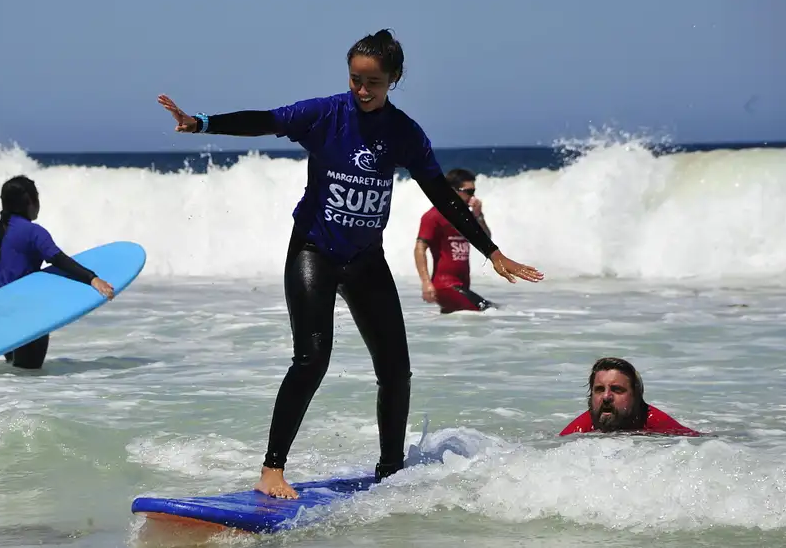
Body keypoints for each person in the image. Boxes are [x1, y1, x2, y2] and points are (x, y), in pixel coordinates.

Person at [157, 28, 544, 500]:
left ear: (394, 79)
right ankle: (271, 470)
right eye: (356, 80)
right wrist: (201, 122)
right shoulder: (324, 114)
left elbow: (442, 195)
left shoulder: (403, 133)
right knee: (312, 358)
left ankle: (390, 471)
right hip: (313, 252)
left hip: (365, 261)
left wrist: (491, 251)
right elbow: (266, 120)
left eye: (374, 82)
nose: (362, 90)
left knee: (396, 371)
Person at [0, 175, 115, 370]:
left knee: (11, 376)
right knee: (30, 377)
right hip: (29, 315)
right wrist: (92, 278)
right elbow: (59, 260)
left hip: (1, 317)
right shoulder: (33, 232)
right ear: (31, 202)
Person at [414, 168, 495, 313]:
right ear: (452, 190)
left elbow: (487, 240)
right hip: (446, 286)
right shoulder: (433, 216)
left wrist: (479, 216)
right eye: (469, 192)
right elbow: (419, 249)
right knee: (489, 311)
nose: (473, 197)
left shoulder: (467, 217)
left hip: (462, 285)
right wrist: (426, 283)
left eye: (474, 191)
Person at [559, 357, 702, 436]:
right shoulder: (581, 428)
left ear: (636, 396)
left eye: (617, 389)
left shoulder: (655, 422)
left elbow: (700, 442)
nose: (606, 396)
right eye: (599, 389)